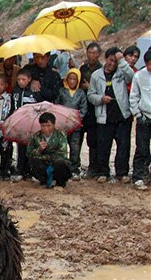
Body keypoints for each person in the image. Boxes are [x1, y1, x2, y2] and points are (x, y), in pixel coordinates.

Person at [88, 47, 135, 183]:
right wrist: (101, 99)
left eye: (115, 61)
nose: (112, 64)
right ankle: (103, 172)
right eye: (111, 60)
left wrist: (122, 61)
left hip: (122, 116)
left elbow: (132, 77)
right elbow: (90, 95)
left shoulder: (122, 72)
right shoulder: (96, 75)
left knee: (123, 146)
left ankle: (122, 172)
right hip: (104, 116)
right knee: (103, 146)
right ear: (105, 59)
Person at [55, 68, 87, 179]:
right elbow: (57, 106)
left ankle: (74, 168)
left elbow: (83, 108)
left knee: (75, 147)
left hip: (76, 125)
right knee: (62, 147)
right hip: (63, 125)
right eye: (70, 78)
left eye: (74, 79)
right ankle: (63, 168)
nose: (72, 81)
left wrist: (77, 119)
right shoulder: (62, 91)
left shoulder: (81, 93)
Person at [27, 112, 71, 188]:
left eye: (48, 126)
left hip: (56, 163)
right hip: (43, 164)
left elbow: (62, 154)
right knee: (32, 162)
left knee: (61, 163)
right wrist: (39, 149)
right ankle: (43, 181)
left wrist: (45, 156)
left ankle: (60, 183)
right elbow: (29, 153)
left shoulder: (60, 136)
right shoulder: (36, 136)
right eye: (43, 126)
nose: (46, 128)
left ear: (54, 125)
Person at [79, 42, 103, 178]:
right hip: (83, 108)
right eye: (89, 52)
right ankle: (74, 166)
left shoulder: (102, 70)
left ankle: (93, 167)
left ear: (99, 54)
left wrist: (90, 87)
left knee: (93, 141)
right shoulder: (82, 68)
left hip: (95, 109)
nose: (91, 55)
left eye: (94, 53)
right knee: (77, 139)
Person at [129, 49, 151, 190]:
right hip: (144, 117)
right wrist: (137, 114)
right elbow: (134, 96)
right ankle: (137, 177)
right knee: (142, 148)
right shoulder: (139, 76)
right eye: (149, 64)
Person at [11, 67, 38, 180]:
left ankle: (31, 171)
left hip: (31, 124)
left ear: (29, 79)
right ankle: (20, 170)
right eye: (19, 79)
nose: (21, 81)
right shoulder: (15, 91)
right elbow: (13, 106)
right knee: (20, 148)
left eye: (23, 79)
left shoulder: (33, 92)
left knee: (31, 148)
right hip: (19, 124)